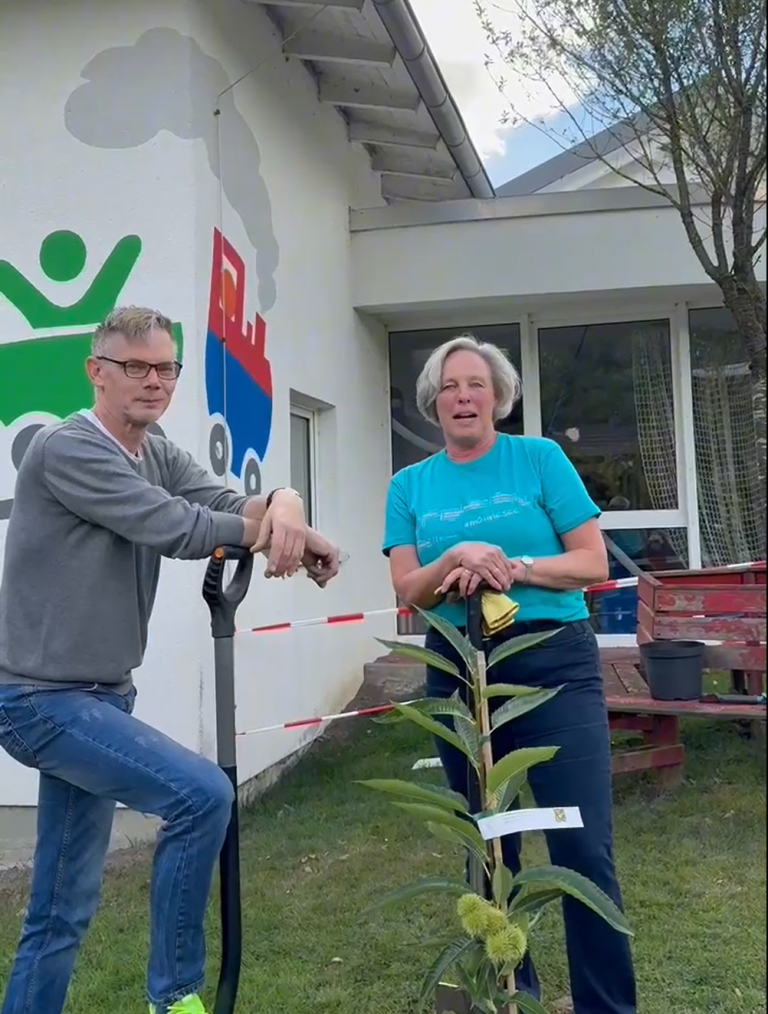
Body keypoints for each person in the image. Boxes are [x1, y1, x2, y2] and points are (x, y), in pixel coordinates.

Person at [0, 306, 341, 1014]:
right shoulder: (68, 449)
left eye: (166, 368)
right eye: (136, 367)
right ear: (97, 372)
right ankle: (175, 995)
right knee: (200, 795)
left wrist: (288, 506)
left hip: (100, 696)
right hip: (39, 699)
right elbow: (176, 526)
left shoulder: (154, 450)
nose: (154, 382)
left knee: (62, 906)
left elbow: (220, 497)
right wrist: (283, 533)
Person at [382, 333, 637, 1014]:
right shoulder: (410, 485)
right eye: (449, 387)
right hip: (462, 666)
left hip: (551, 655)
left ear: (498, 397)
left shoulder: (539, 459)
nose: (463, 396)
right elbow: (410, 588)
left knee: (582, 846)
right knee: (489, 844)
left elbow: (592, 563)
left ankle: (606, 1006)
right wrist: (456, 559)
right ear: (434, 404)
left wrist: (513, 567)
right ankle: (507, 997)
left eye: (476, 384)